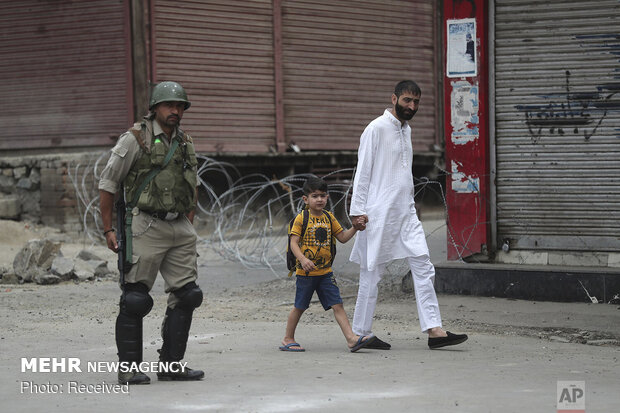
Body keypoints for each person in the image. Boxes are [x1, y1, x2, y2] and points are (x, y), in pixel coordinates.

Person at [349, 80, 468, 350]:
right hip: (378, 214)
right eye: (406, 101)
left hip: (406, 212)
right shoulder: (376, 128)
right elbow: (363, 171)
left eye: (416, 102)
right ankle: (360, 332)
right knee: (372, 272)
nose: (411, 107)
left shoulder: (407, 130)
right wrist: (356, 212)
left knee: (423, 265)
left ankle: (434, 330)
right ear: (394, 99)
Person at [99, 81, 204, 384]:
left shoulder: (184, 141)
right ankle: (129, 369)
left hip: (179, 226)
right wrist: (108, 228)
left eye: (180, 106)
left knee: (188, 295)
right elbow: (108, 185)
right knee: (135, 299)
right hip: (145, 223)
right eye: (170, 105)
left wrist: (188, 223)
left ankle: (171, 367)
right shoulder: (134, 140)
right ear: (155, 108)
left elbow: (191, 185)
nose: (176, 110)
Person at [280, 177, 377, 353]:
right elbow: (293, 242)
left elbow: (342, 238)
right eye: (315, 196)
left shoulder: (329, 217)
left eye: (323, 196)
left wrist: (355, 227)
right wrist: (302, 259)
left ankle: (351, 339)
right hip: (306, 274)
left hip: (325, 273)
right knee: (300, 306)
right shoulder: (301, 219)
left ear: (327, 197)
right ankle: (288, 338)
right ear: (305, 199)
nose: (319, 200)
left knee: (337, 304)